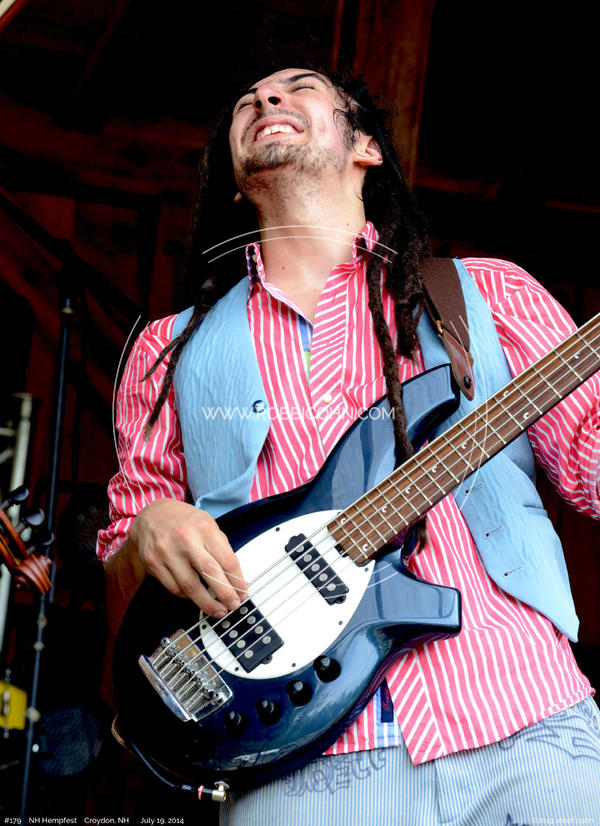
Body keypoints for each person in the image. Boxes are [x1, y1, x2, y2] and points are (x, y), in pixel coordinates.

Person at [98, 64, 600, 825]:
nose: (266, 99)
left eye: (298, 88)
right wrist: (146, 531)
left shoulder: (488, 294)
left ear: (366, 147)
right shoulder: (169, 353)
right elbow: (122, 585)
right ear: (235, 183)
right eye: (247, 101)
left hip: (526, 717)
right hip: (293, 756)